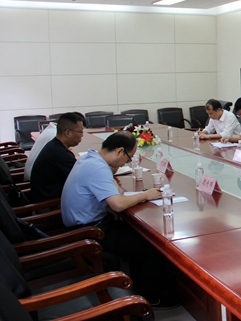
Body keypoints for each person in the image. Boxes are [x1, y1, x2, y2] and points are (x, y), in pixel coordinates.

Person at [61, 131, 178, 307]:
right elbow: (117, 205)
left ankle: (142, 288)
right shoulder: (98, 168)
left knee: (139, 235)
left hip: (84, 226)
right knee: (151, 245)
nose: (126, 163)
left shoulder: (89, 159)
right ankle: (152, 297)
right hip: (90, 232)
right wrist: (145, 195)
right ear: (119, 151)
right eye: (128, 158)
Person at [28, 112, 86, 202]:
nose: (82, 135)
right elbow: (83, 179)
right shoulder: (61, 154)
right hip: (50, 204)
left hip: (43, 196)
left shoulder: (54, 145)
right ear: (67, 133)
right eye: (80, 132)